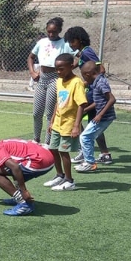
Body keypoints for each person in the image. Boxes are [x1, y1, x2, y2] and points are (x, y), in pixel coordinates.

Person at [0, 131, 55, 217]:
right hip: (48, 158)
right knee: (1, 169)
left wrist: (24, 191)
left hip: (40, 161)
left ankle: (24, 204)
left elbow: (14, 167)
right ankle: (20, 197)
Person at [27, 16, 71, 143]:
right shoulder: (42, 42)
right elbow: (30, 57)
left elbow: (76, 58)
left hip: (55, 79)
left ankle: (48, 142)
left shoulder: (64, 44)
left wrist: (66, 71)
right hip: (41, 78)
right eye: (49, 31)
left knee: (50, 113)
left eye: (54, 32)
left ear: (60, 30)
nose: (51, 34)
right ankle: (36, 139)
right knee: (36, 112)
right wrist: (32, 72)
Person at [45, 50, 86, 187]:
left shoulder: (77, 82)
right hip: (58, 122)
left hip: (69, 123)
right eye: (56, 69)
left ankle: (69, 180)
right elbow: (59, 102)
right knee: (53, 149)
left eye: (61, 69)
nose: (58, 72)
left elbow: (82, 104)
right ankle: (59, 175)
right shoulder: (59, 81)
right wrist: (52, 121)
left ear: (71, 66)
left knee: (63, 151)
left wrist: (76, 125)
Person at [75, 58, 117, 169]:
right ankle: (91, 159)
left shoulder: (100, 83)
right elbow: (99, 101)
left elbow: (112, 99)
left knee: (85, 137)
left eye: (84, 77)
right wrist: (87, 109)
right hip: (103, 117)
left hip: (104, 117)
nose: (84, 80)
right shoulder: (97, 81)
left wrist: (100, 115)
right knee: (89, 136)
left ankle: (89, 163)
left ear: (88, 74)